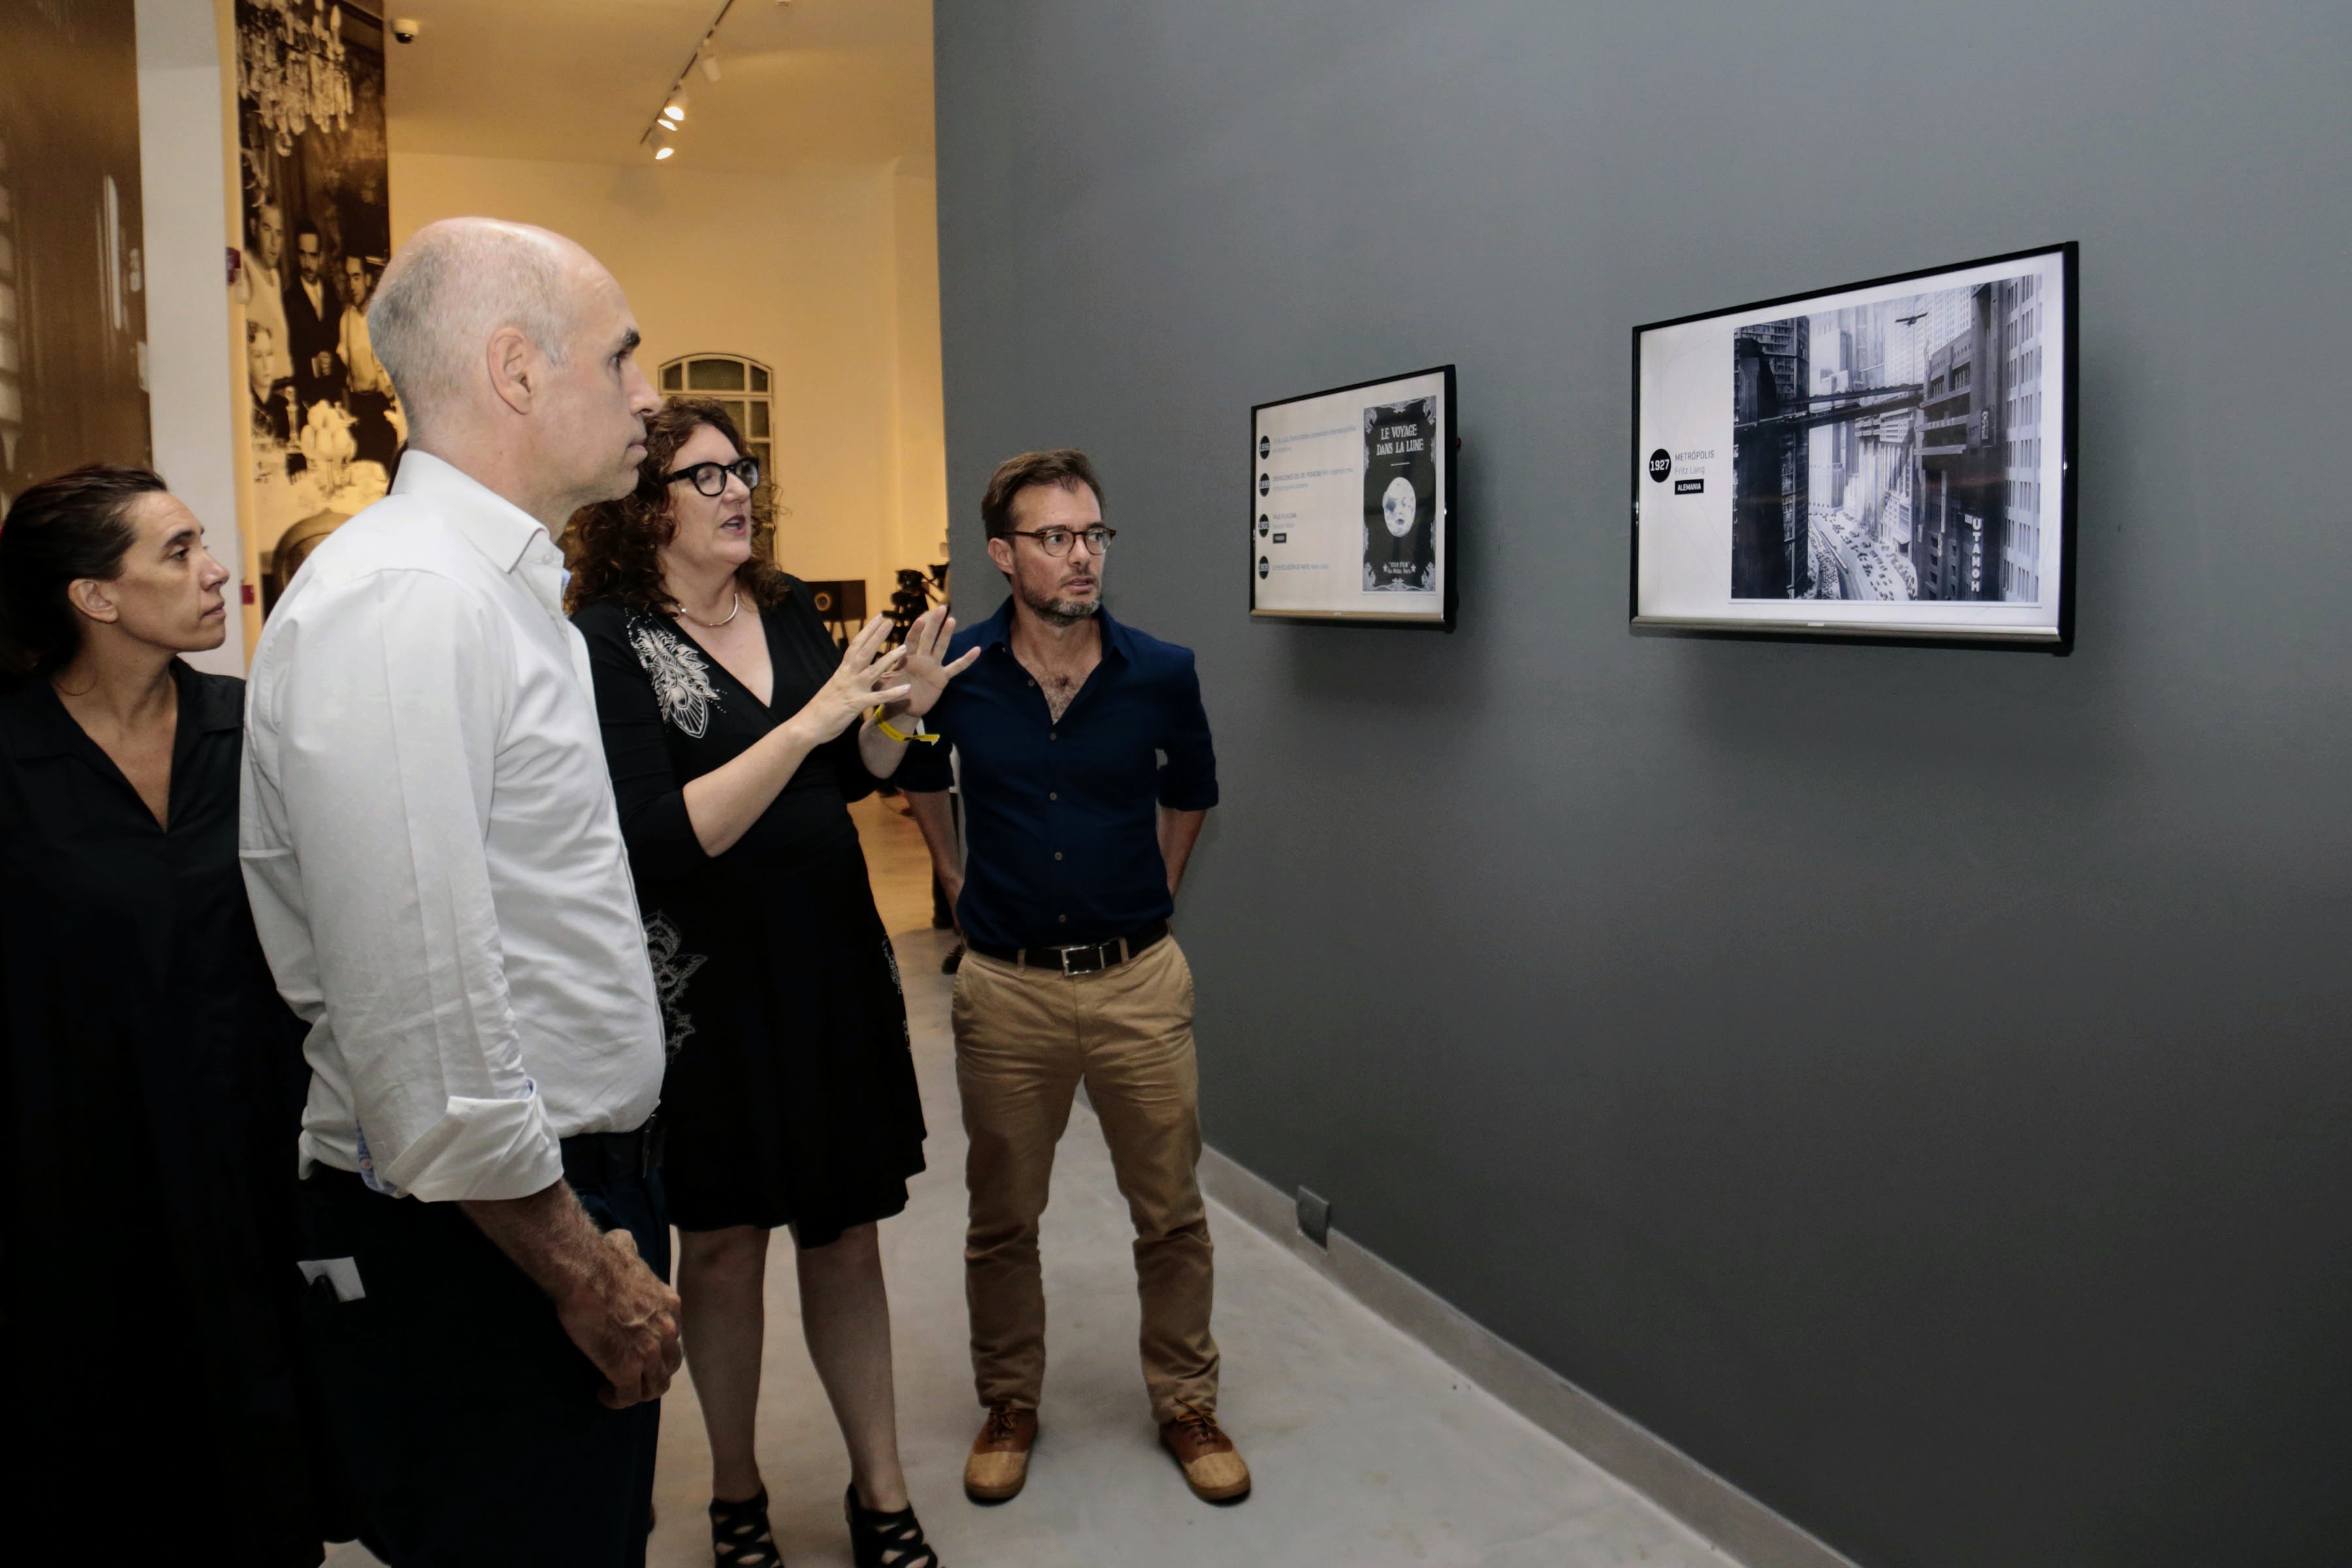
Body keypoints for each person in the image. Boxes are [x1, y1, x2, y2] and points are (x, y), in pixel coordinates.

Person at [240, 217, 684, 1567]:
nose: (649, 394)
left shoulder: (493, 597)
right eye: (623, 357)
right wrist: (581, 1270)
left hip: (546, 1195)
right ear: (516, 371)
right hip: (490, 1234)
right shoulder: (406, 605)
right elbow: (421, 1015)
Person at [565, 397, 974, 1568]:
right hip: (706, 991)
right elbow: (659, 833)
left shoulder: (788, 609)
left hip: (832, 964)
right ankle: (735, 1495)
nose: (738, 489)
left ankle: (881, 1491)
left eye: (741, 469)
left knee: (848, 1235)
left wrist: (910, 718)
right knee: (728, 1244)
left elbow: (858, 770)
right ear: (643, 510)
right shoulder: (603, 639)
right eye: (704, 477)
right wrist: (812, 724)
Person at [0, 465, 352, 1560]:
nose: (217, 573)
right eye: (178, 552)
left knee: (275, 1462)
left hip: (258, 1170)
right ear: (93, 598)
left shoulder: (253, 732)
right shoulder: (11, 754)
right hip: (78, 1193)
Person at [898, 449, 1249, 1506]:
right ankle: (1010, 1400)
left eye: (1093, 534)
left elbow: (1192, 789)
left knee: (1172, 1211)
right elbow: (910, 770)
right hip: (1007, 989)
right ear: (1004, 555)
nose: (1081, 556)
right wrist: (955, 879)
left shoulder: (1160, 671)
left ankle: (1186, 1401)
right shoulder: (956, 670)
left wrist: (1161, 890)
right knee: (1003, 1216)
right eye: (1054, 538)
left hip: (1139, 982)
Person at [337, 253, 401, 471]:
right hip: (358, 410)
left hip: (380, 408)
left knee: (382, 472)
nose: (351, 285)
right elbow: (345, 373)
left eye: (356, 277)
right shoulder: (345, 319)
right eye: (348, 278)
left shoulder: (381, 317)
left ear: (367, 279)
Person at [283, 218, 345, 414]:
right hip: (305, 402)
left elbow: (342, 343)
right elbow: (287, 354)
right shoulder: (289, 299)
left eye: (312, 255)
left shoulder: (333, 295)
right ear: (296, 255)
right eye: (303, 255)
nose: (307, 263)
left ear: (321, 257)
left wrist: (333, 361)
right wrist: (313, 365)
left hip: (333, 401)